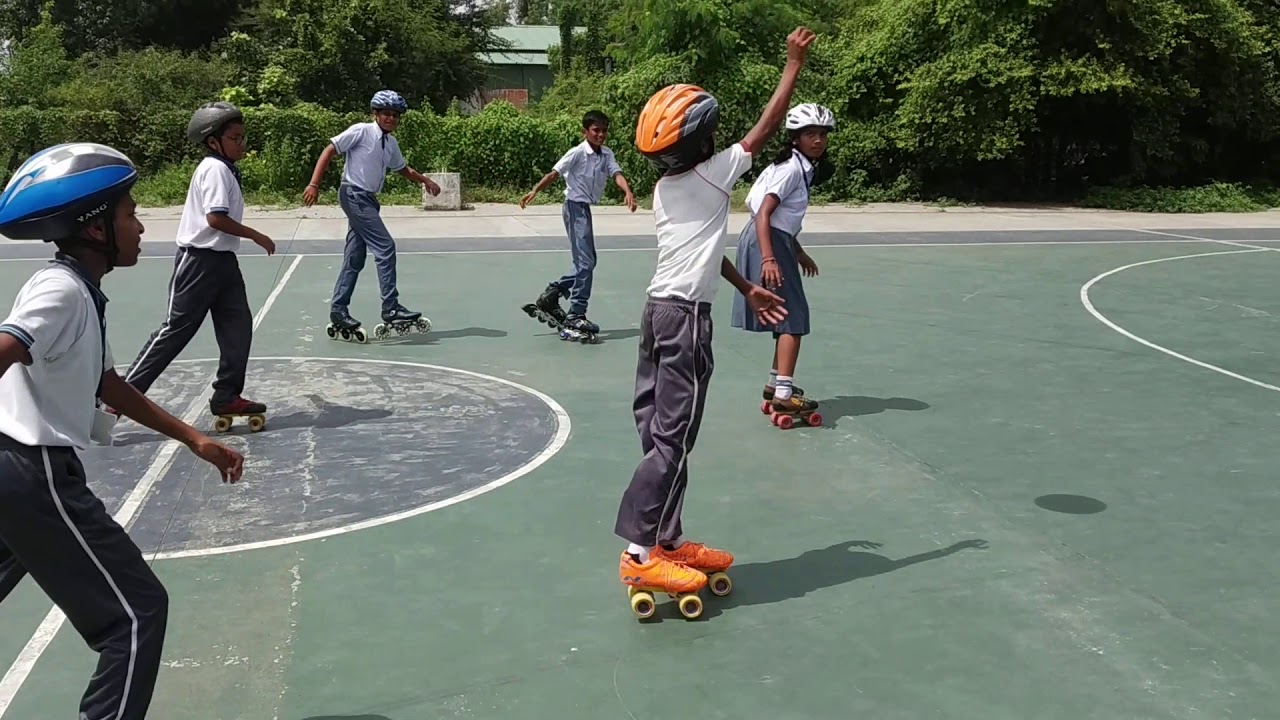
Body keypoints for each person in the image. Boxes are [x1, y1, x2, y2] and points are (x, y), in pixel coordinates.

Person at [0, 142, 244, 720]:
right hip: (34, 474)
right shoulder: (61, 291)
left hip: (17, 469)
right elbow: (6, 347)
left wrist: (193, 438)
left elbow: (108, 384)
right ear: (95, 229)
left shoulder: (77, 288)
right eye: (131, 214)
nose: (140, 227)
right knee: (135, 614)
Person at [614, 27, 816, 599]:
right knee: (674, 440)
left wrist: (746, 286)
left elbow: (702, 249)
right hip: (683, 321)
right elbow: (767, 129)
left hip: (657, 311)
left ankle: (667, 539)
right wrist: (792, 66)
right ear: (702, 143)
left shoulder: (666, 187)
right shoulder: (713, 172)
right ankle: (639, 554)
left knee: (659, 434)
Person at [121, 101, 274, 421]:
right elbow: (215, 218)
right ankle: (122, 397)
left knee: (238, 327)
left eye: (243, 136)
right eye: (235, 137)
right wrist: (256, 235)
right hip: (199, 262)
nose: (242, 143)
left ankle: (226, 395)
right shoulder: (214, 169)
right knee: (176, 330)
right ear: (213, 142)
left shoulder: (226, 168)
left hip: (223, 262)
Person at [303, 90, 440, 340]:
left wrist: (425, 180)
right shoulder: (361, 131)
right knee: (385, 247)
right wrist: (314, 184)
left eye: (395, 115)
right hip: (353, 195)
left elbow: (403, 169)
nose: (391, 119)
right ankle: (391, 307)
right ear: (375, 114)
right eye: (386, 113)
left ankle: (338, 310)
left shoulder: (391, 143)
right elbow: (329, 150)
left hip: (368, 200)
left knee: (354, 257)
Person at [730, 102, 835, 420]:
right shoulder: (791, 169)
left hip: (772, 239)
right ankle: (784, 395)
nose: (817, 140)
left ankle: (775, 384)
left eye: (822, 134)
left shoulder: (795, 166)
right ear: (795, 138)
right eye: (810, 134)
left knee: (784, 312)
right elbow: (764, 213)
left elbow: (780, 218)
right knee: (794, 317)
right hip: (767, 241)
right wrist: (769, 258)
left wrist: (797, 251)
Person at [519, 109, 637, 340]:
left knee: (587, 262)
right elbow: (554, 173)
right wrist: (534, 191)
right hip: (574, 208)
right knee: (585, 263)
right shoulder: (577, 153)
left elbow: (617, 173)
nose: (600, 135)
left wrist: (628, 191)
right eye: (596, 130)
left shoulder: (606, 154)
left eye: (604, 130)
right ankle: (576, 314)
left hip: (584, 210)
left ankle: (553, 293)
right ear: (585, 132)